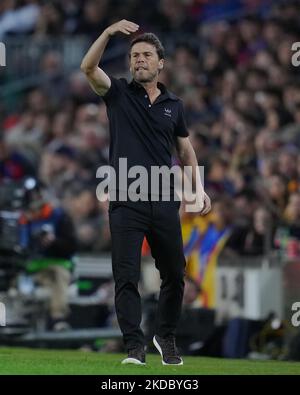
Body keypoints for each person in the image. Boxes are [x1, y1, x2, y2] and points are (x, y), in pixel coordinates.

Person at [81, 19, 211, 366]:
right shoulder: (118, 93)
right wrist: (108, 33)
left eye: (147, 55)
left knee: (174, 273)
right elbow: (88, 67)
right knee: (126, 276)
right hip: (125, 198)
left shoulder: (174, 104)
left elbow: (185, 151)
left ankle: (164, 336)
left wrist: (198, 188)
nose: (139, 59)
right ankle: (134, 347)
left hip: (164, 199)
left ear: (160, 63)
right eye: (135, 55)